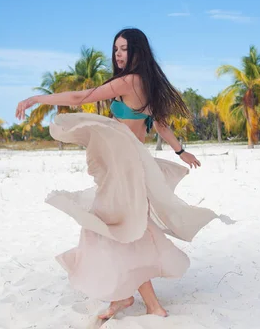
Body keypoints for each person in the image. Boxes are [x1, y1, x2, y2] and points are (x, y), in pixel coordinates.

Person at [15, 28, 221, 320]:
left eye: (124, 49)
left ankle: (138, 302)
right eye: (116, 50)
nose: (118, 55)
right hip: (131, 165)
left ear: (138, 51)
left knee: (112, 228)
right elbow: (160, 124)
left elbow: (78, 97)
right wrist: (179, 151)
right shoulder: (147, 83)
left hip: (125, 168)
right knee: (124, 228)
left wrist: (37, 99)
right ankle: (129, 299)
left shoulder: (128, 81)